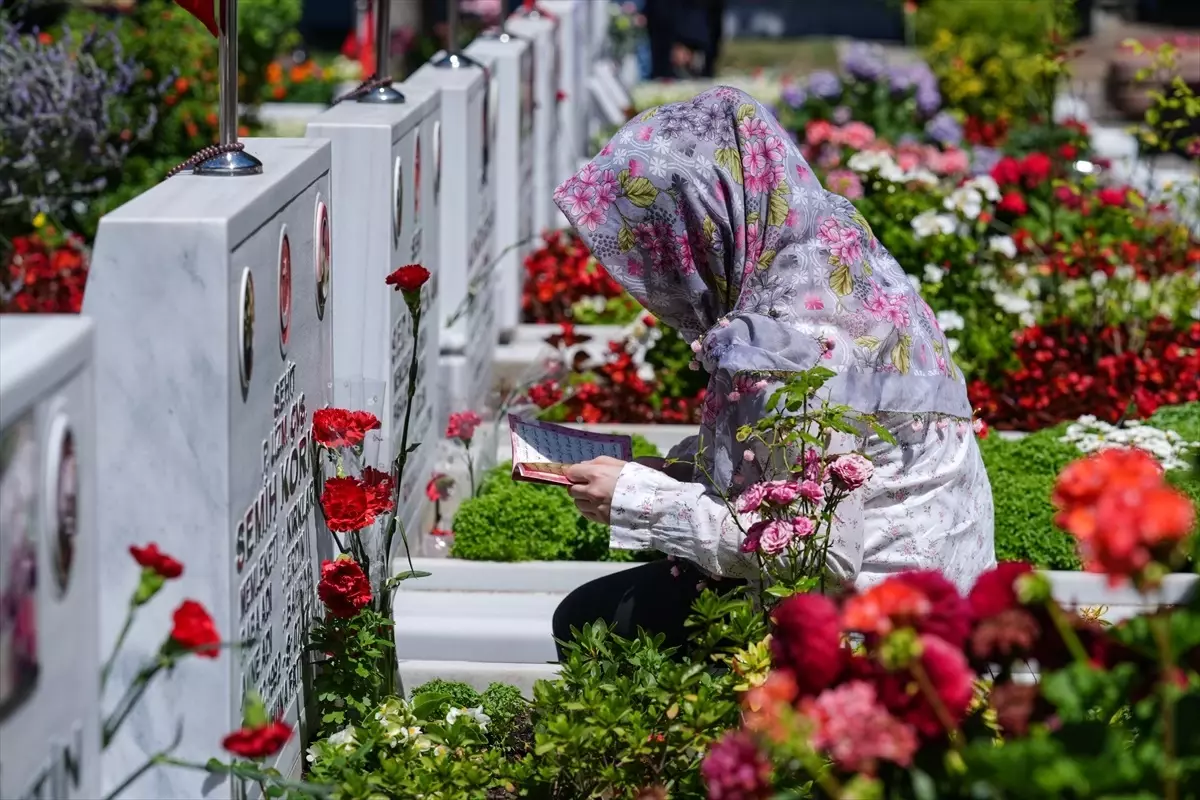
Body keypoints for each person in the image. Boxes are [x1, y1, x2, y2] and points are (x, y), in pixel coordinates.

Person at [549, 87, 995, 659]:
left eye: (658, 244)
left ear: (699, 229)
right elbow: (809, 462)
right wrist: (671, 471)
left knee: (593, 624)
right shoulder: (825, 254)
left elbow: (817, 549)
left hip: (879, 633)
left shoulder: (787, 341)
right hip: (946, 590)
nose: (652, 275)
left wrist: (641, 502)